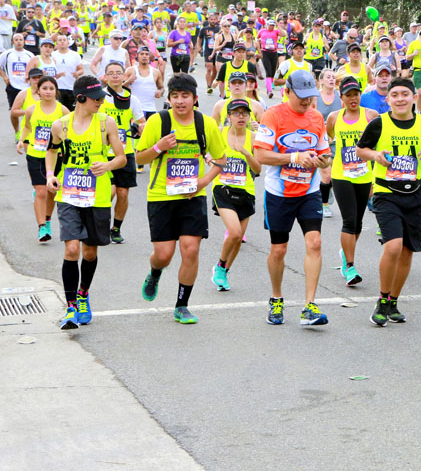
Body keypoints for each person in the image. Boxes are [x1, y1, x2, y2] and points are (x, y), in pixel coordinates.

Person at [135, 74, 227, 324]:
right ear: (169, 98)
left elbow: (221, 159)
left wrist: (203, 182)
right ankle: (155, 272)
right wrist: (159, 147)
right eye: (175, 96)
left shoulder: (205, 124)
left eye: (185, 96)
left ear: (195, 99)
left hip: (192, 196)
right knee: (164, 254)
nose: (180, 101)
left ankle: (182, 305)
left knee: (191, 249)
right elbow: (139, 158)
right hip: (161, 196)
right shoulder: (158, 121)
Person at [356, 78, 421, 326]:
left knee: (407, 251)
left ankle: (393, 301)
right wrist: (375, 155)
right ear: (388, 100)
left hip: (414, 193)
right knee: (393, 246)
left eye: (405, 94)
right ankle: (382, 299)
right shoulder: (378, 124)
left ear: (414, 97)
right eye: (395, 95)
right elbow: (361, 150)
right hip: (386, 192)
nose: (400, 99)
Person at [45, 76, 127, 330]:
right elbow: (51, 151)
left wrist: (108, 165)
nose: (101, 101)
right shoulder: (60, 125)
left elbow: (122, 158)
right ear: (80, 98)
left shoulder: (106, 123)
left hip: (97, 195)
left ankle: (83, 294)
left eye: (102, 97)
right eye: (96, 98)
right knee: (72, 249)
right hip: (69, 193)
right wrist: (49, 175)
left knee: (90, 252)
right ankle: (70, 307)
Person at [253, 70, 332, 327]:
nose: (307, 101)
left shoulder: (316, 117)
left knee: (315, 243)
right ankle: (276, 298)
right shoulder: (273, 115)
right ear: (287, 91)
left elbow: (325, 153)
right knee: (279, 249)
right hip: (279, 193)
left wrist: (323, 161)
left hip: (309, 191)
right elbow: (261, 155)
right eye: (302, 96)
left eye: (311, 96)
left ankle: (310, 306)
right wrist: (294, 157)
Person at [327, 77, 379, 286]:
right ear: (341, 97)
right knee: (349, 220)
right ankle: (350, 266)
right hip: (342, 175)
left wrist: (375, 178)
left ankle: (345, 251)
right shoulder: (334, 117)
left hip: (364, 175)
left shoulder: (371, 116)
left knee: (358, 222)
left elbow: (378, 145)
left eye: (356, 94)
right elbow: (329, 137)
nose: (353, 98)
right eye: (348, 95)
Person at [210, 99, 262, 290]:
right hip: (222, 189)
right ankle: (220, 266)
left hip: (246, 191)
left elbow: (258, 169)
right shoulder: (219, 133)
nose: (241, 117)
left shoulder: (254, 137)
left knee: (238, 238)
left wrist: (246, 153)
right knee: (234, 232)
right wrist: (209, 158)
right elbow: (208, 153)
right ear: (229, 116)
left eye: (244, 113)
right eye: (236, 113)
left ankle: (224, 271)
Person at [17, 76, 69, 241]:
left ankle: (47, 220)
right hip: (35, 154)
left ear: (56, 91)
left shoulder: (63, 111)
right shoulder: (31, 110)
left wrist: (64, 150)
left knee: (51, 191)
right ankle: (42, 228)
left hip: (55, 156)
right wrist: (21, 140)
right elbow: (27, 127)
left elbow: (68, 135)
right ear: (38, 91)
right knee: (40, 191)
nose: (48, 92)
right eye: (44, 88)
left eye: (51, 88)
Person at [101, 62, 146, 244]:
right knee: (109, 192)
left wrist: (140, 128)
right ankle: (101, 224)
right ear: (105, 77)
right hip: (104, 153)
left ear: (123, 76)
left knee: (123, 193)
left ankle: (116, 228)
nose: (115, 76)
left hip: (125, 152)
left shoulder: (132, 99)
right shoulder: (100, 98)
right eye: (111, 73)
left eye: (118, 73)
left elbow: (142, 122)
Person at [0, 33, 35, 138]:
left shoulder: (30, 55)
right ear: (13, 42)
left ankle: (29, 132)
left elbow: (35, 68)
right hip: (13, 87)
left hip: (27, 88)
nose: (18, 42)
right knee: (14, 112)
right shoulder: (7, 54)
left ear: (24, 41)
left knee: (30, 111)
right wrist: (4, 76)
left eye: (20, 39)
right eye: (16, 40)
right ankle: (17, 132)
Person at [315, 68, 342, 217]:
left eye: (333, 77)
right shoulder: (316, 98)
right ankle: (324, 204)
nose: (332, 79)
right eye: (328, 77)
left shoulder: (340, 96)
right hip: (321, 141)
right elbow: (310, 117)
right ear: (321, 81)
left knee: (335, 175)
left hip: (338, 140)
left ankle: (327, 187)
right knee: (326, 174)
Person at [124, 45, 164, 120]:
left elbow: (161, 88)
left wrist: (160, 92)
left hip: (151, 108)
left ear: (149, 57)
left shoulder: (156, 72)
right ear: (137, 56)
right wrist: (128, 82)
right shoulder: (130, 70)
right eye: (142, 54)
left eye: (146, 54)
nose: (144, 56)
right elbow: (120, 88)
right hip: (135, 108)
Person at [53, 34, 84, 110]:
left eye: (64, 40)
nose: (62, 42)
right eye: (60, 40)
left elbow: (81, 70)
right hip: (57, 88)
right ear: (56, 43)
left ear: (68, 42)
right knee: (58, 110)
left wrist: (77, 73)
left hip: (71, 87)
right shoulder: (52, 55)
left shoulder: (75, 55)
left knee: (70, 111)